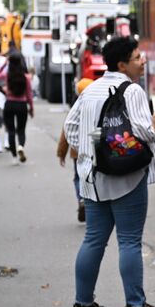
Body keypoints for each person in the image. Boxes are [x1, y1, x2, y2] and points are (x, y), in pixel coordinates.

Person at [64, 37, 155, 307]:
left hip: (93, 177)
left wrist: (92, 150)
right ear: (122, 65)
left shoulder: (91, 89)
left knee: (94, 240)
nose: (142, 61)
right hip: (127, 178)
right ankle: (136, 306)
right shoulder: (132, 90)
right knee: (130, 241)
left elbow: (71, 126)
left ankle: (83, 304)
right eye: (137, 57)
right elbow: (143, 132)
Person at [57, 77, 95, 222]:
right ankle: (91, 201)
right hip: (94, 149)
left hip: (76, 151)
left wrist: (61, 153)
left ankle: (81, 199)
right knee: (92, 175)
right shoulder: (96, 108)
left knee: (78, 176)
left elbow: (65, 132)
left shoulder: (74, 110)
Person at [0, 51, 33, 163]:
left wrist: (4, 64)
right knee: (21, 130)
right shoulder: (26, 77)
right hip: (22, 105)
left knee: (11, 131)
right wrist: (31, 108)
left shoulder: (7, 76)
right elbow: (29, 94)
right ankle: (21, 146)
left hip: (9, 104)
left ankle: (14, 157)